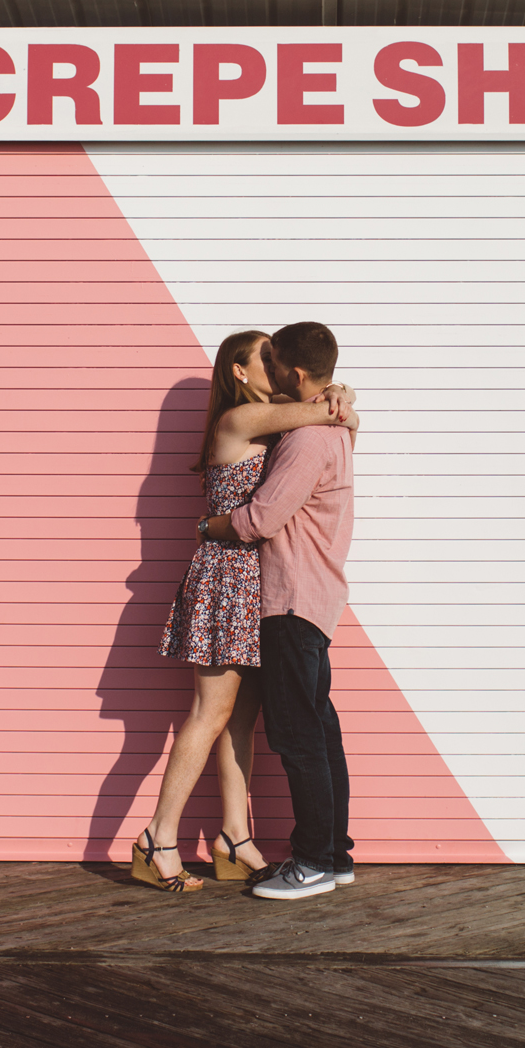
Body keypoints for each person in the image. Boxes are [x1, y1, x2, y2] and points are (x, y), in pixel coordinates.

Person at [131, 329, 357, 893]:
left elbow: (326, 414)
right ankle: (158, 837)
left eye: (278, 361)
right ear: (238, 371)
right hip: (226, 576)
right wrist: (338, 402)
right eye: (264, 359)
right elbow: (327, 416)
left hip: (259, 582)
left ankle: (235, 836)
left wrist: (338, 399)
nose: (274, 368)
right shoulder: (238, 422)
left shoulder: (289, 415)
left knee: (242, 718)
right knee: (211, 712)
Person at [197, 321, 356, 902]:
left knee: (298, 737)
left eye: (274, 360)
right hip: (313, 598)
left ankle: (313, 861)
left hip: (289, 599)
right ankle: (333, 857)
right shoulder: (328, 425)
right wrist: (341, 402)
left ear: (292, 372)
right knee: (320, 732)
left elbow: (261, 519)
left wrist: (210, 525)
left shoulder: (309, 436)